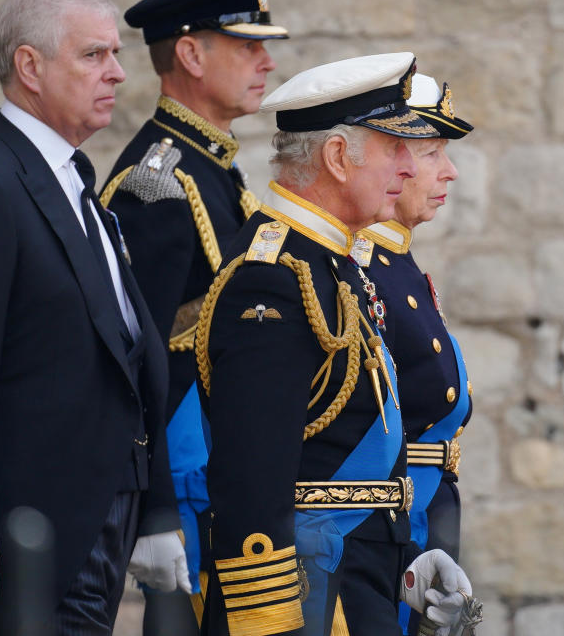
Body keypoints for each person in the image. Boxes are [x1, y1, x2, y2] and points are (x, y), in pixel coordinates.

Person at [0, 0, 187, 636]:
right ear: (29, 65)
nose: (117, 73)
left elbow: (125, 354)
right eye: (93, 56)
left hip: (93, 520)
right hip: (21, 540)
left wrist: (152, 509)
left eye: (115, 55)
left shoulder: (72, 179)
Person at [195, 53, 474, 636]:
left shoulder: (329, 264)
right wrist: (268, 620)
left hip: (357, 578)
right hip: (307, 600)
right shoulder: (274, 276)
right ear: (338, 157)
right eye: (395, 148)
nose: (409, 169)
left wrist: (409, 558)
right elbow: (254, 477)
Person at [98, 0, 288, 633]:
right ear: (189, 53)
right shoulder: (157, 184)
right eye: (248, 46)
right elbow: (129, 362)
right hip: (187, 494)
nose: (266, 63)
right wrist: (151, 513)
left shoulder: (216, 171)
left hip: (227, 481)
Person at [354, 74, 481, 635]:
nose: (448, 171)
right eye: (431, 154)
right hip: (393, 522)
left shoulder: (399, 262)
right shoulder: (364, 268)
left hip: (427, 517)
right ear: (391, 161)